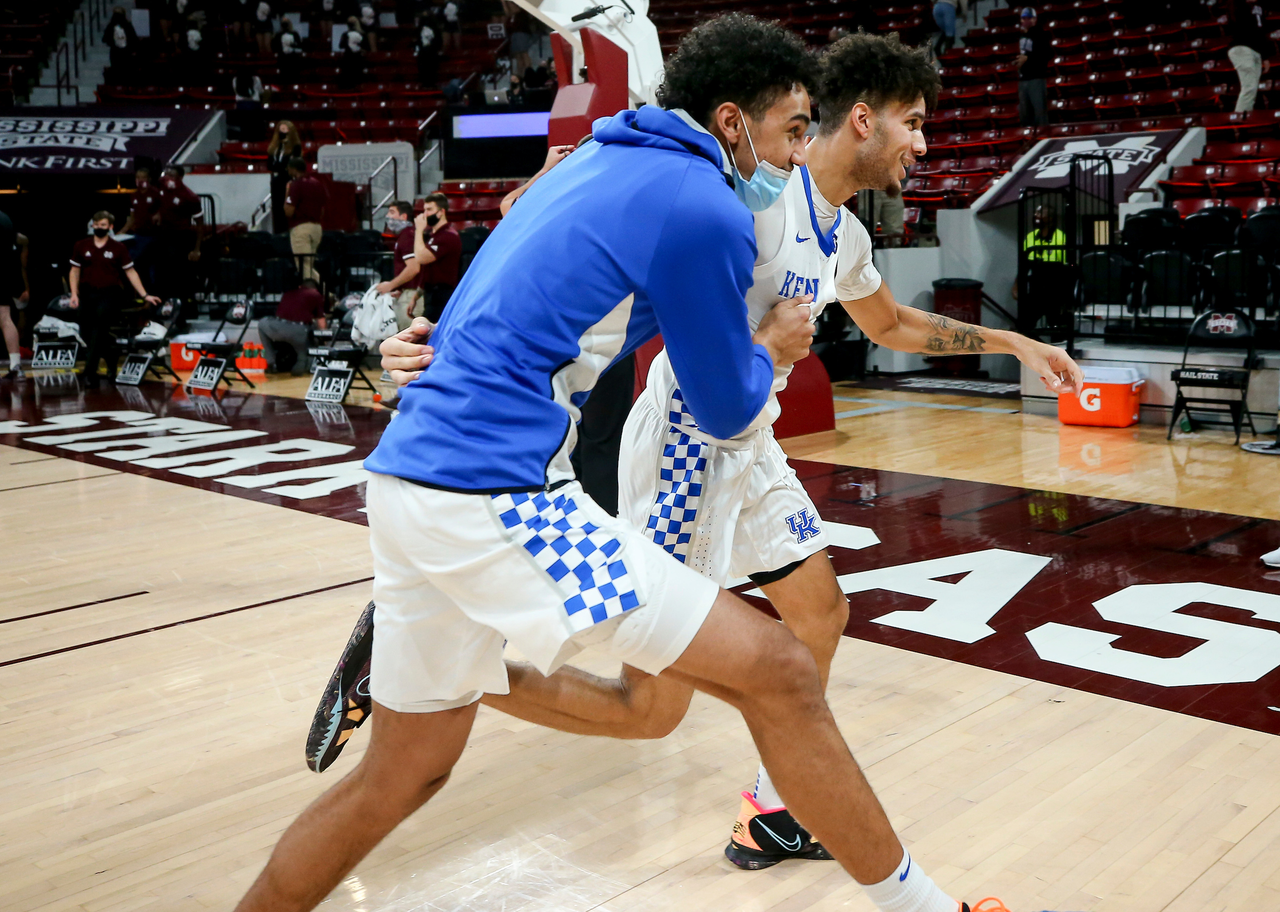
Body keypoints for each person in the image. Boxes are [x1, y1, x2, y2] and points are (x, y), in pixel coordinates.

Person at [240, 16, 1039, 912]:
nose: (794, 147)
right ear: (735, 122)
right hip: (504, 481)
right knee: (754, 677)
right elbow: (729, 398)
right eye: (788, 127)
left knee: (405, 775)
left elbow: (517, 254)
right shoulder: (709, 205)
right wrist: (774, 348)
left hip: (418, 472)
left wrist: (447, 343)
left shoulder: (598, 155)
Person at [68, 212, 161, 387]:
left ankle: (90, 372)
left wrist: (145, 295)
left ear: (110, 227)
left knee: (99, 326)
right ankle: (110, 353)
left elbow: (130, 272)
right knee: (84, 330)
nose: (99, 228)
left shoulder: (118, 248)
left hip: (110, 294)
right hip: (87, 293)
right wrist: (74, 293)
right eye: (96, 224)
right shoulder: (81, 245)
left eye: (103, 225)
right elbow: (74, 271)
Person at [152, 165, 204, 304]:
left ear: (180, 178)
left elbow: (200, 224)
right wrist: (158, 213)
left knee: (179, 273)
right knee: (161, 272)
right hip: (163, 235)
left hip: (181, 237)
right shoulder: (162, 186)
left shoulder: (190, 197)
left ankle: (182, 308)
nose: (167, 178)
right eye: (167, 175)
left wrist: (197, 249)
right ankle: (160, 306)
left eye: (172, 176)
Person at [258, 278, 327, 375]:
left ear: (300, 287)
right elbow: (321, 320)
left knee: (261, 323)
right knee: (305, 352)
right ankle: (300, 369)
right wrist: (323, 338)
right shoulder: (315, 294)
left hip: (276, 326)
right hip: (297, 330)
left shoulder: (288, 293)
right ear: (315, 289)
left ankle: (270, 361)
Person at [410, 192, 460, 322]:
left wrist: (418, 230)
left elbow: (421, 258)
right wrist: (416, 296)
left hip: (442, 295)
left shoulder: (448, 236)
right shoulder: (433, 236)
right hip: (430, 294)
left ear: (441, 212)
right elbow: (427, 268)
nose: (425, 214)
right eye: (424, 210)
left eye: (429, 209)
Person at [374, 201, 424, 330]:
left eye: (392, 212)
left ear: (404, 216)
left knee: (409, 339)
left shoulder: (408, 236)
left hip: (412, 296)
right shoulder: (407, 235)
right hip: (409, 292)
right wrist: (400, 288)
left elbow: (413, 268)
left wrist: (391, 285)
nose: (387, 216)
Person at [284, 157, 327, 283]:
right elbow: (322, 210)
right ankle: (320, 295)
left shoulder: (295, 185)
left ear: (293, 169)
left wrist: (287, 192)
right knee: (308, 266)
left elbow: (288, 211)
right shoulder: (317, 183)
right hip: (316, 228)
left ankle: (325, 295)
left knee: (304, 268)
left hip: (301, 228)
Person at [1228, 0, 1273, 113]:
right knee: (1249, 87)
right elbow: (1246, 28)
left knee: (1252, 89)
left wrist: (1265, 57)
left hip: (1256, 50)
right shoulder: (1238, 6)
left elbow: (1261, 31)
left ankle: (1245, 116)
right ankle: (1238, 120)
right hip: (1242, 48)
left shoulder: (1259, 6)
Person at [0, 209, 26, 381]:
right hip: (4, 271)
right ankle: (16, 365)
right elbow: (22, 240)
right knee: (5, 318)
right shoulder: (5, 218)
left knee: (4, 318)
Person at [1016, 7, 1050, 127]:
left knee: (1039, 113)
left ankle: (1042, 139)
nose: (1025, 20)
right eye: (1023, 18)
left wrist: (1028, 58)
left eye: (1028, 18)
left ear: (1034, 19)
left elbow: (1046, 54)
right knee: (1024, 115)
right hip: (1023, 79)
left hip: (1036, 78)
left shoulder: (1041, 34)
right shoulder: (1021, 36)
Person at [267, 121, 303, 233]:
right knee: (276, 209)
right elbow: (270, 165)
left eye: (285, 129)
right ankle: (278, 232)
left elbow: (291, 164)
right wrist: (279, 166)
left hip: (288, 181)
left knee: (286, 207)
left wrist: (280, 166)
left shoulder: (295, 147)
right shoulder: (275, 147)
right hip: (276, 181)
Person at [104, 6, 139, 78]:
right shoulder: (127, 25)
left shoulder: (111, 25)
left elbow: (105, 39)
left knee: (117, 73)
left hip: (116, 53)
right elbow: (134, 39)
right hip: (126, 53)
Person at [273, 16, 305, 80]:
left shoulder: (294, 34)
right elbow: (275, 47)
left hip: (293, 58)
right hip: (283, 58)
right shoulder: (278, 35)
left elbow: (299, 45)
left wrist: (291, 45)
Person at [414, 14, 439, 88]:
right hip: (428, 52)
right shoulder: (434, 29)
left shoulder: (420, 30)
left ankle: (428, 83)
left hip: (427, 52)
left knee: (427, 68)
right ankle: (428, 83)